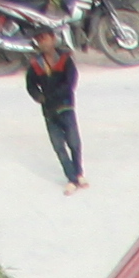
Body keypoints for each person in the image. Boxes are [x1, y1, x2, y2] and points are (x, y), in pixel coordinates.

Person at [18, 29, 83, 189]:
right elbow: (30, 85)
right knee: (59, 146)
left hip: (66, 106)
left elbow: (71, 82)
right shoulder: (35, 64)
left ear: (53, 39)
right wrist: (38, 97)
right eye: (39, 40)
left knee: (73, 142)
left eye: (45, 38)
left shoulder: (65, 59)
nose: (43, 43)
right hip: (48, 110)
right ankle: (72, 177)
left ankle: (78, 172)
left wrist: (54, 95)